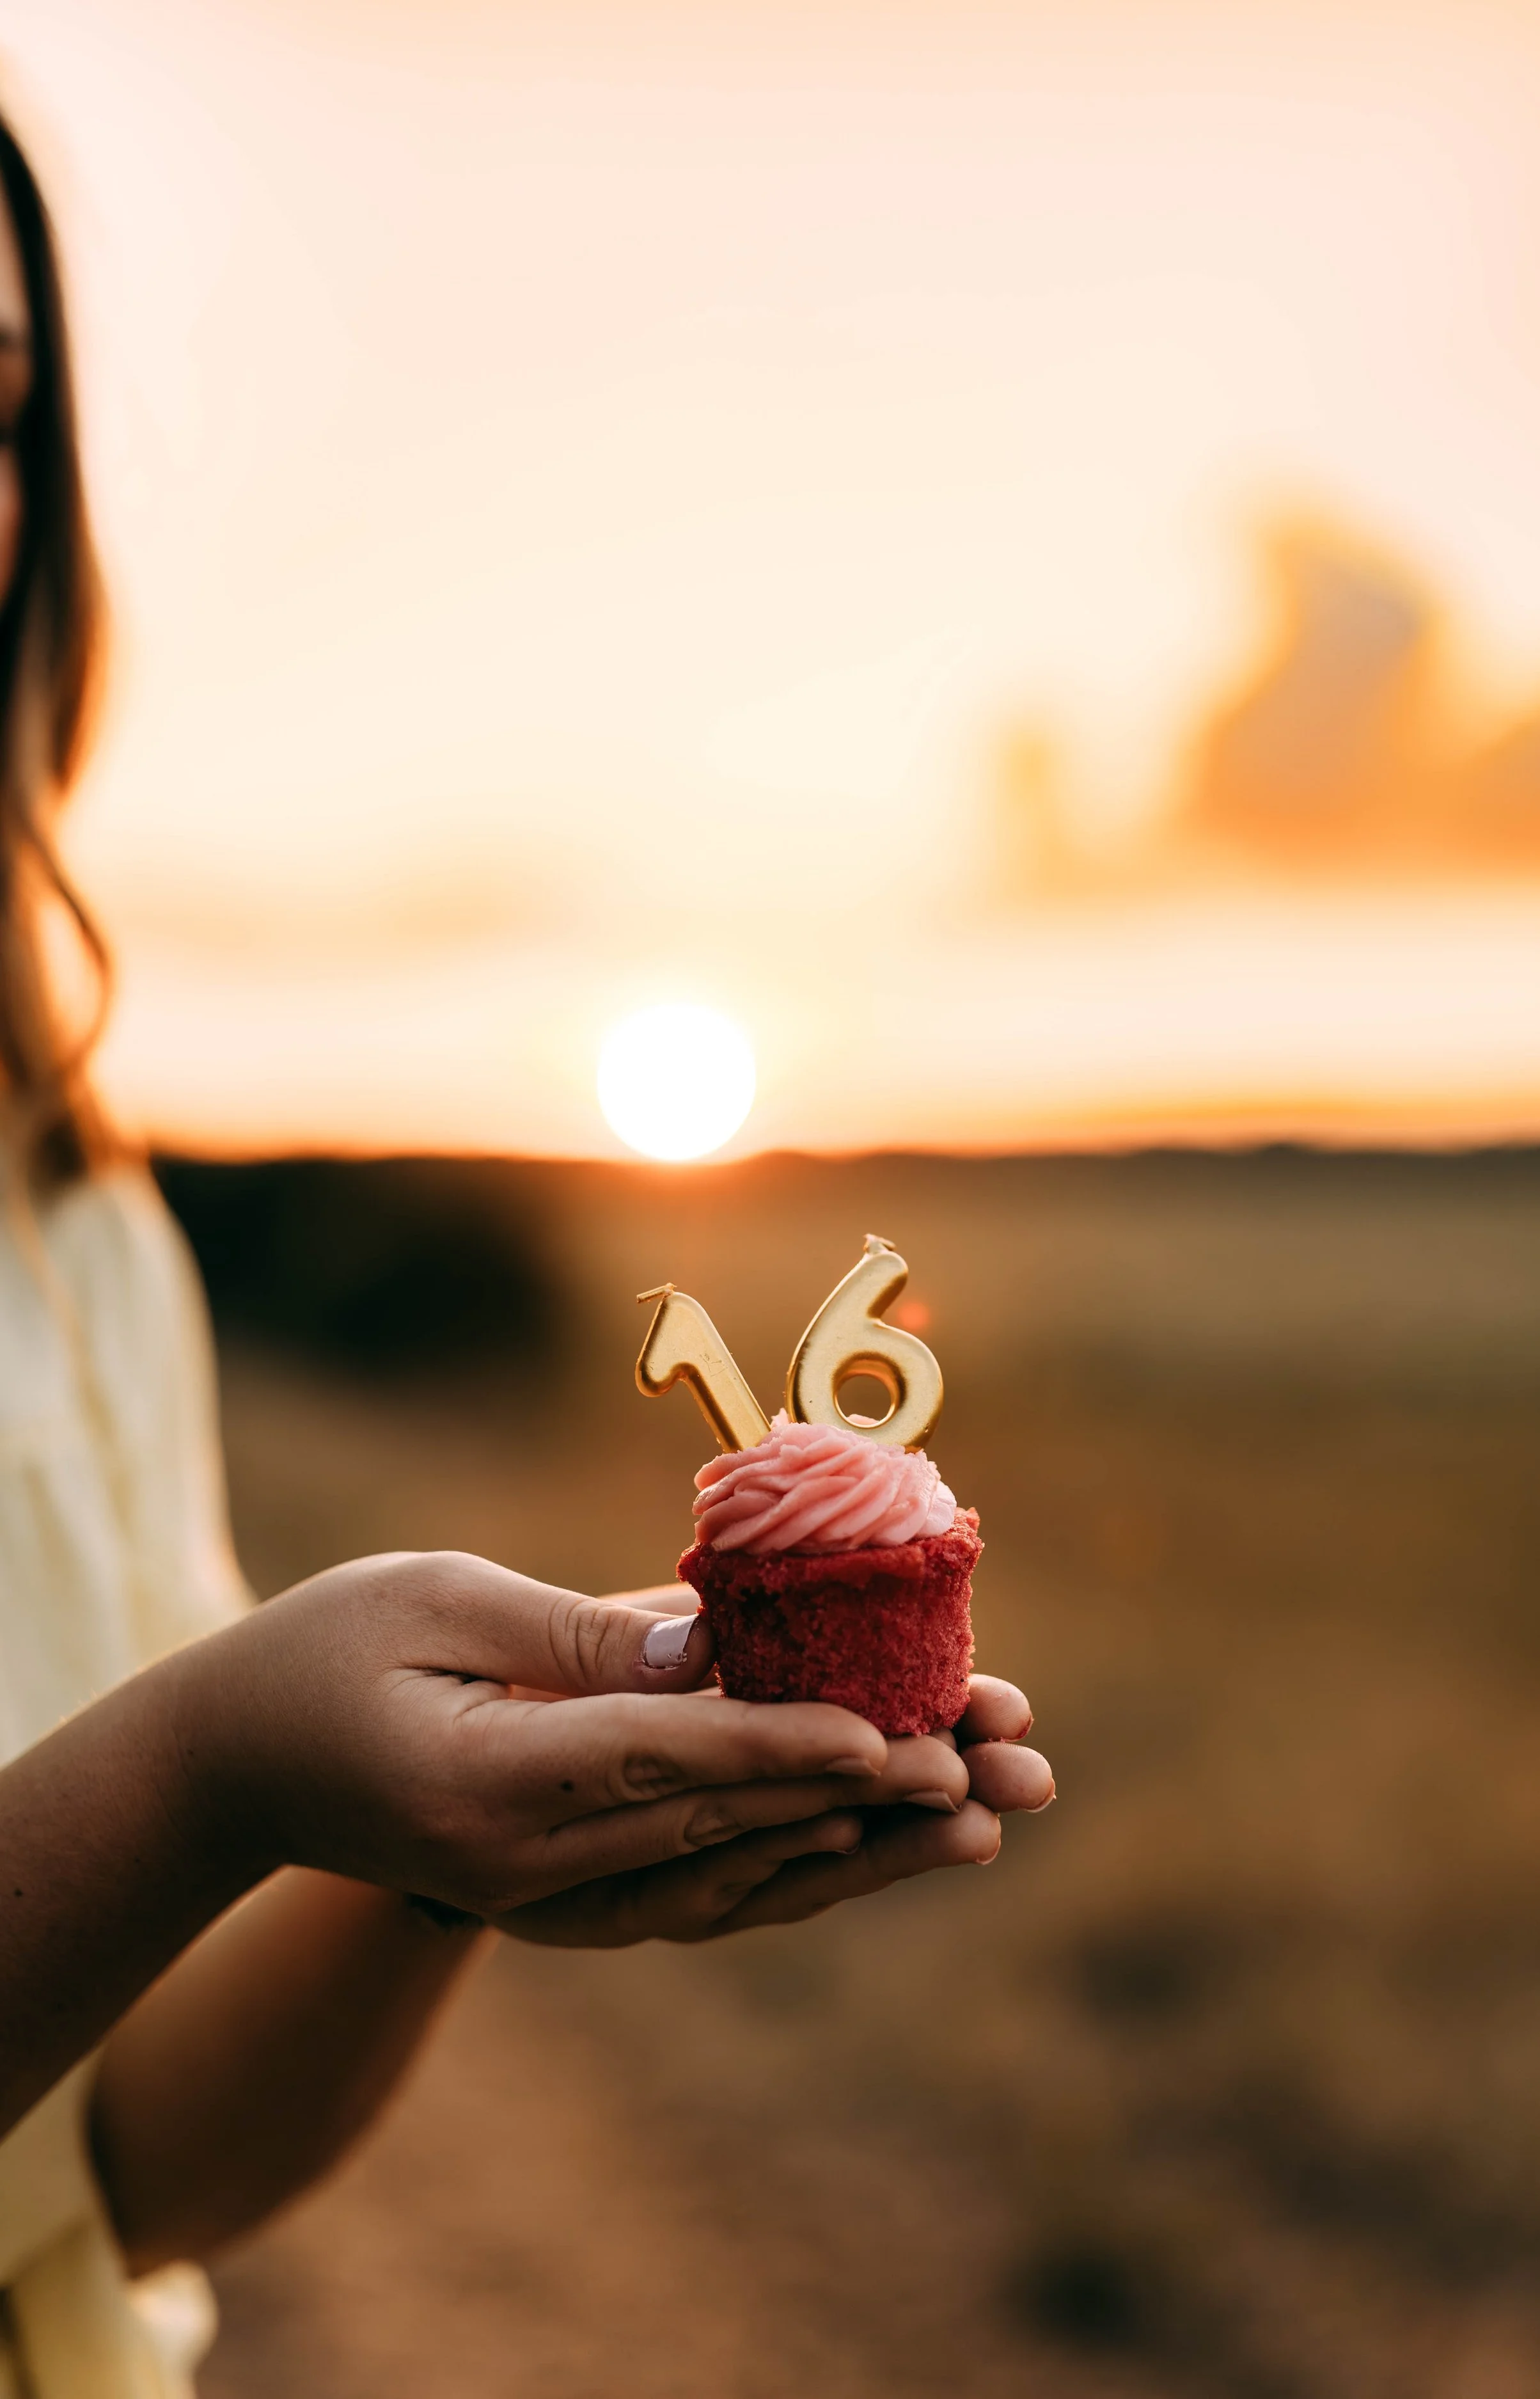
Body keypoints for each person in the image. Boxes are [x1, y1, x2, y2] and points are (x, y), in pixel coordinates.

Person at [0, 99, 1053, 2399]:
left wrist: (423, 1859)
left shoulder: (72, 1219)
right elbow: (188, 1802)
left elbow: (108, 2176)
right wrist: (204, 1772)